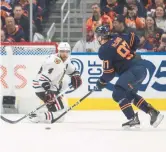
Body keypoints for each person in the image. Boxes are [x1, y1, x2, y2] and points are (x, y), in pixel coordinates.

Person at [95, 25, 164, 128]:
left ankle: (132, 119)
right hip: (141, 69)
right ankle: (153, 112)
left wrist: (101, 82)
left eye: (98, 36)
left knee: (118, 93)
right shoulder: (118, 37)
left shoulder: (104, 49)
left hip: (132, 71)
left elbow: (109, 73)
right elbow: (135, 38)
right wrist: (131, 51)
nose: (97, 38)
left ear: (101, 36)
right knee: (128, 94)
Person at [30, 42, 82, 123]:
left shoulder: (64, 61)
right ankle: (40, 117)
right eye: (62, 51)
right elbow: (43, 78)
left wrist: (76, 76)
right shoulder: (54, 62)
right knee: (60, 115)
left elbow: (73, 71)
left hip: (49, 88)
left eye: (67, 52)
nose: (65, 54)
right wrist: (48, 92)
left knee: (64, 105)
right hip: (43, 88)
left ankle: (38, 112)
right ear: (58, 51)